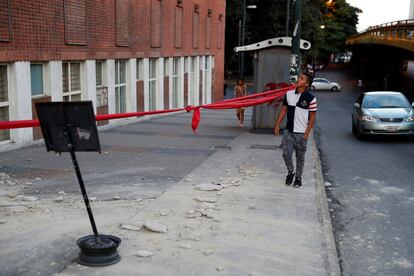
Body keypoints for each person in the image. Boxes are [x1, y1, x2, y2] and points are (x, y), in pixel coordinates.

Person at [274, 71, 317, 188]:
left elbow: (312, 118)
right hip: (289, 131)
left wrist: (307, 133)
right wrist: (277, 124)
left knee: (300, 157)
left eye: (302, 79)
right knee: (286, 154)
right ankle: (290, 172)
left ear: (307, 84)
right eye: (299, 77)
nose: (298, 79)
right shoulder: (289, 94)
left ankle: (298, 177)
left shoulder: (311, 99)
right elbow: (283, 110)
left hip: (301, 133)